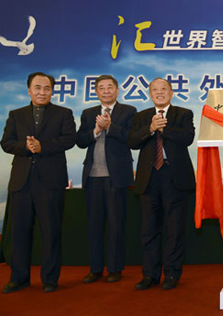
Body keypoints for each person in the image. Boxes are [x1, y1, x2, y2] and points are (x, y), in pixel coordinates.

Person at [1, 72, 76, 293]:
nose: (42, 92)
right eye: (37, 87)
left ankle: (50, 279)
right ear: (29, 90)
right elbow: (6, 142)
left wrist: (43, 146)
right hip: (21, 182)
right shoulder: (16, 115)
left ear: (52, 91)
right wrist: (26, 148)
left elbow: (69, 139)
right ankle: (19, 278)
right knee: (20, 232)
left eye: (46, 88)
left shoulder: (64, 113)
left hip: (50, 181)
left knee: (51, 232)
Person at [128, 77, 196, 290]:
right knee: (149, 230)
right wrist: (150, 128)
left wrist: (163, 129)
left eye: (163, 89)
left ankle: (172, 274)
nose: (159, 93)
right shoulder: (141, 117)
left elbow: (187, 138)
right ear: (149, 94)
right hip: (149, 179)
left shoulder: (183, 114)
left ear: (171, 92)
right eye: (154, 90)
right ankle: (150, 275)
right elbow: (132, 141)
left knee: (175, 230)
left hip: (174, 177)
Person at [76, 75, 137, 284]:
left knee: (116, 224)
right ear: (96, 92)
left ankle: (114, 268)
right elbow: (80, 141)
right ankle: (95, 269)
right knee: (94, 225)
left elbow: (132, 138)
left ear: (117, 90)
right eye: (101, 88)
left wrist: (110, 127)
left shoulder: (128, 111)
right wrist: (96, 130)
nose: (106, 91)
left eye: (110, 87)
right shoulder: (88, 113)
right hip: (92, 176)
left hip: (116, 176)